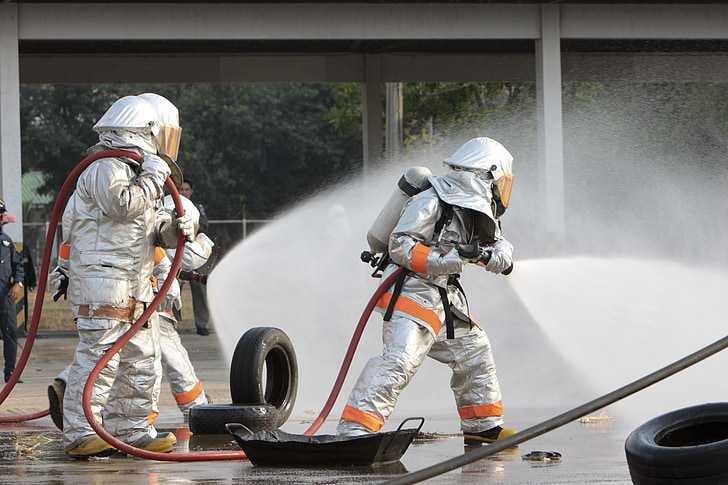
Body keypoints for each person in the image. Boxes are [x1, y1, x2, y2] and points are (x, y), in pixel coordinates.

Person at [337, 137, 516, 447]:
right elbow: (400, 245)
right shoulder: (431, 200)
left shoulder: (476, 211)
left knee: (474, 351)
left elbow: (501, 248)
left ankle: (483, 426)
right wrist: (450, 258)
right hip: (411, 292)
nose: (501, 189)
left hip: (444, 299)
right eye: (500, 180)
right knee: (400, 361)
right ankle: (355, 431)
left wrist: (486, 255)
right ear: (487, 174)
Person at [51, 93, 194, 458]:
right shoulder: (106, 167)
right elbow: (123, 205)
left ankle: (130, 428)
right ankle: (82, 431)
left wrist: (177, 228)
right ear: (147, 130)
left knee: (142, 358)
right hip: (103, 281)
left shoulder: (139, 171)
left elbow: (150, 228)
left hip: (135, 282)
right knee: (101, 357)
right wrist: (155, 174)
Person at [178, 179, 212, 336]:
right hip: (175, 252)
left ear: (191, 191)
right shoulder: (170, 205)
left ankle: (202, 324)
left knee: (200, 287)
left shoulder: (197, 208)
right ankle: (171, 322)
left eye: (186, 189)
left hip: (193, 252)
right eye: (181, 189)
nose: (184, 192)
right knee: (173, 288)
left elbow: (204, 225)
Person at [0, 200, 24, 384]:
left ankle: (10, 373)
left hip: (5, 297)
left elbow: (18, 266)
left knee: (10, 333)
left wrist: (18, 283)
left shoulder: (7, 242)